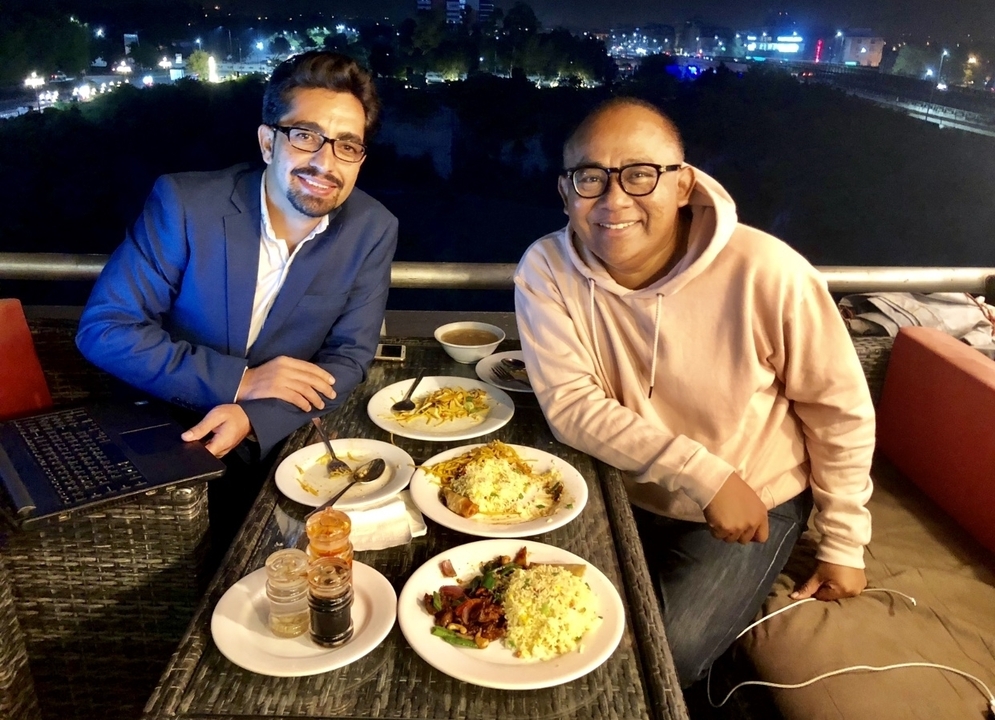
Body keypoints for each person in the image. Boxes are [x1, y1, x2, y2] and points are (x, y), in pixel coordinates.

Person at [514, 97, 875, 687]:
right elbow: (571, 405)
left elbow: (838, 411)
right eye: (590, 178)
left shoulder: (767, 271)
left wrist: (844, 542)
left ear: (682, 185)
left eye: (639, 175)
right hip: (622, 484)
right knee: (533, 615)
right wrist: (703, 473)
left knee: (665, 652)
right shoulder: (546, 269)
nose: (613, 199)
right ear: (564, 191)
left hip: (755, 496)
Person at [76, 51, 397, 460]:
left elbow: (348, 358)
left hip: (275, 439)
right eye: (304, 135)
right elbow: (106, 329)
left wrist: (256, 415)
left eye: (347, 146)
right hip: (166, 431)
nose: (324, 163)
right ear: (268, 142)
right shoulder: (187, 206)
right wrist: (240, 381)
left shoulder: (371, 229)